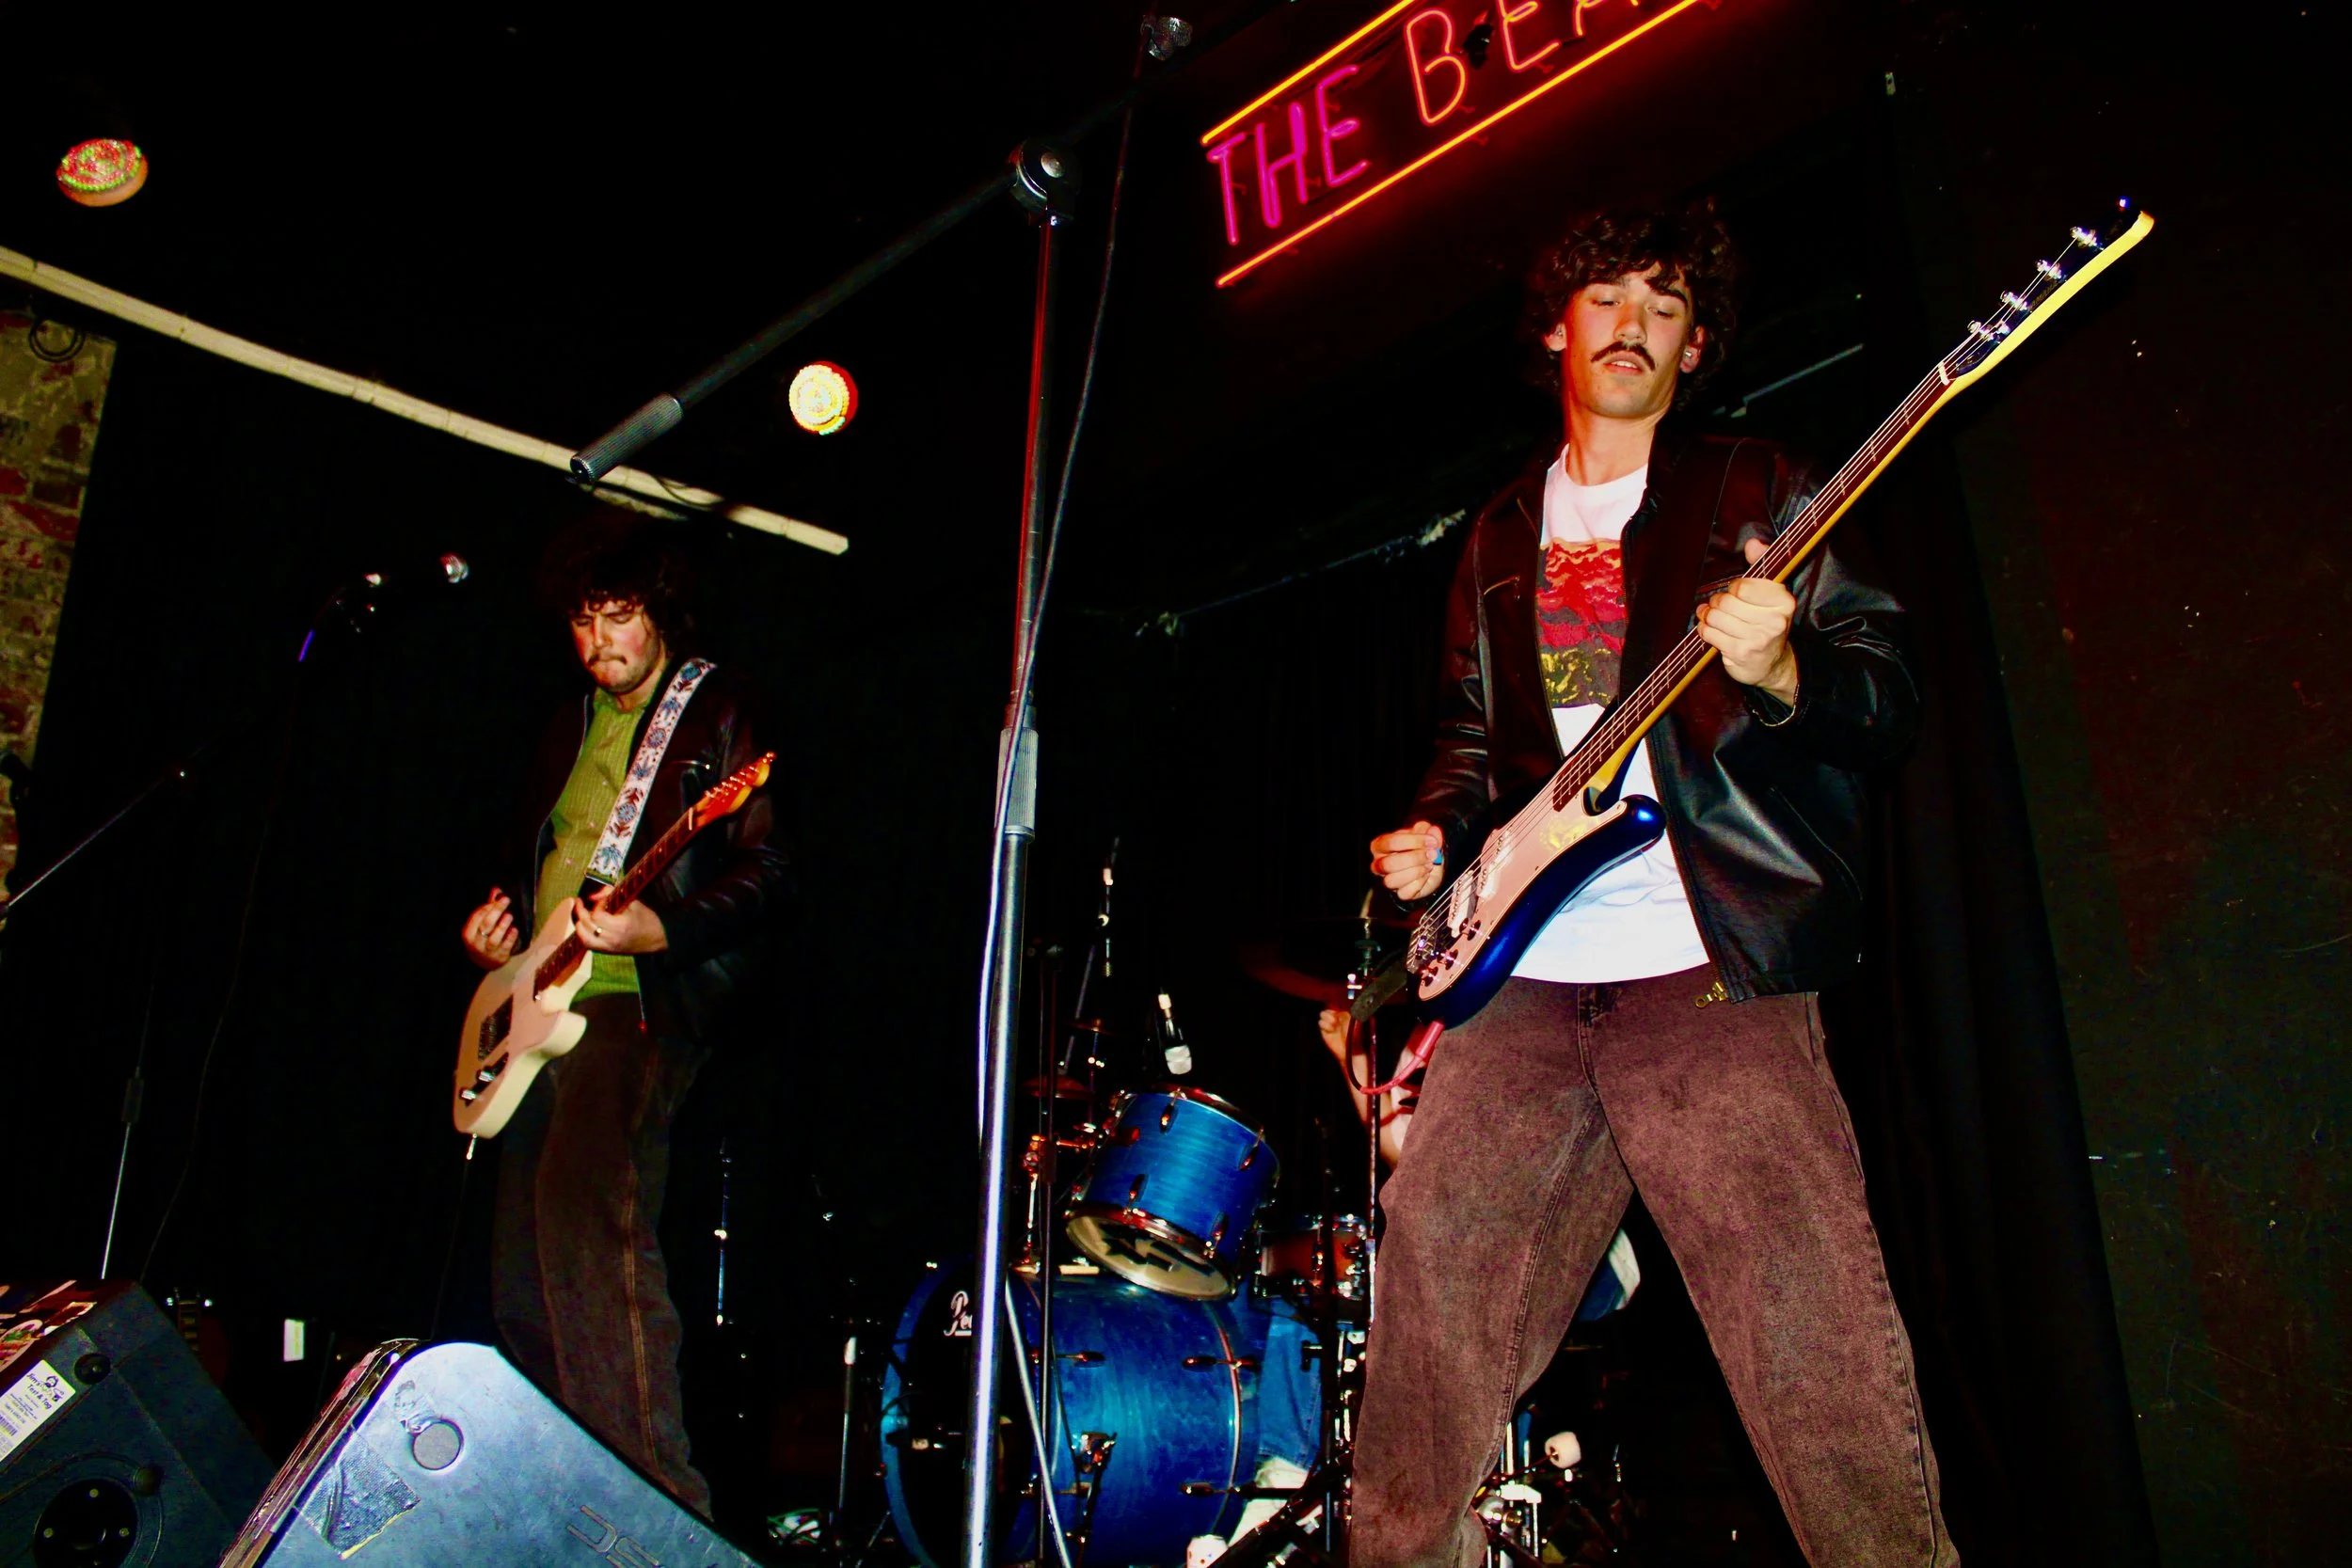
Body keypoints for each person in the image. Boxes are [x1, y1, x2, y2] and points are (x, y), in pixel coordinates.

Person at [1354, 205, 1956, 1566]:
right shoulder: (1497, 534)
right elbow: (1468, 746)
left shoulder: (1762, 485)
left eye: (1665, 306)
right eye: (1604, 297)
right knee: (1431, 1319)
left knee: (1804, 1332)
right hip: (1525, 973)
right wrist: (1434, 840)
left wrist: (1783, 668)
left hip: (1705, 954)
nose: (1631, 322)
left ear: (1695, 351)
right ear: (1557, 331)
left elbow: (1889, 693)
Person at [458, 514, 789, 1514]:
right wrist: (498, 934)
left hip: (641, 1006)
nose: (598, 639)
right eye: (581, 619)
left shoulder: (718, 706)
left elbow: (771, 869)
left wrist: (666, 928)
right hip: (540, 1004)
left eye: (619, 615)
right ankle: (567, 1497)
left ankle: (660, 1506)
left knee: (593, 1231)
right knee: (523, 1279)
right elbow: (539, 863)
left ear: (661, 613)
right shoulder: (568, 723)